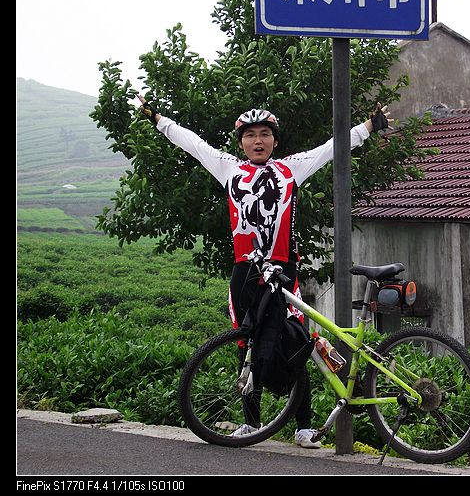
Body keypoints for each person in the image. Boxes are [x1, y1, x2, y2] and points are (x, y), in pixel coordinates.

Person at [137, 95, 392, 448]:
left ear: (274, 140)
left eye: (265, 134)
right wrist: (158, 119)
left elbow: (331, 147)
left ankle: (304, 427)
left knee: (296, 341)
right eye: (250, 135)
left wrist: (366, 127)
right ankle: (251, 422)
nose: (258, 141)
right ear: (241, 142)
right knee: (245, 344)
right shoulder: (228, 168)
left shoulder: (291, 169)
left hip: (284, 270)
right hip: (246, 272)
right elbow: (192, 143)